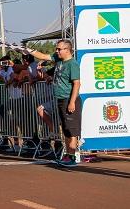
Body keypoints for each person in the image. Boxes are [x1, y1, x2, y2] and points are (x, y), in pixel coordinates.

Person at [28, 39, 81, 167]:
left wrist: (72, 102)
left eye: (59, 49)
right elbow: (42, 56)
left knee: (71, 130)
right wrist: (28, 49)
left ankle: (73, 156)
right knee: (66, 129)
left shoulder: (72, 64)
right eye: (56, 49)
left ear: (67, 50)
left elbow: (77, 83)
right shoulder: (58, 60)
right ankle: (68, 155)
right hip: (60, 99)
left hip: (69, 99)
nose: (56, 51)